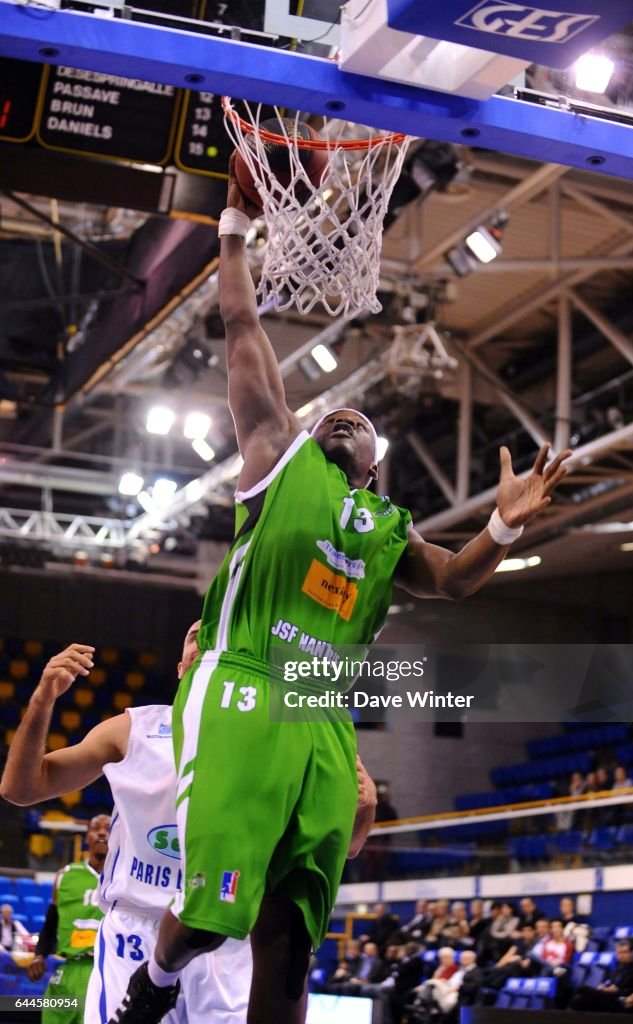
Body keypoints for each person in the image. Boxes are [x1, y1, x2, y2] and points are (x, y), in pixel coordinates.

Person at [105, 163, 572, 1024]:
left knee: (291, 931)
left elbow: (459, 580)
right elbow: (242, 324)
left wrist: (503, 526)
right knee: (213, 915)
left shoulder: (388, 532)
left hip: (318, 714)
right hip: (246, 682)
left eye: (359, 424)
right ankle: (155, 981)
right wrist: (235, 231)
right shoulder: (275, 456)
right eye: (333, 414)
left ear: (376, 465)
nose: (341, 418)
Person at [0, 632, 376, 1024]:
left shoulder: (281, 740)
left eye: (218, 635)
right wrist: (43, 699)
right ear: (181, 668)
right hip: (138, 931)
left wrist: (365, 806)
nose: (206, 642)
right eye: (196, 636)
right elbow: (20, 789)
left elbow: (346, 847)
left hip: (226, 938)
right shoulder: (134, 730)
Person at [27, 815, 110, 1024]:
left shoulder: (125, 878)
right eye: (95, 828)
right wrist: (40, 956)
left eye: (108, 829)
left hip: (105, 970)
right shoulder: (65, 876)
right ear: (87, 838)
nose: (101, 833)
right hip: (68, 970)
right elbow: (52, 920)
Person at [569, 939, 633, 1013]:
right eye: (619, 953)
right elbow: (608, 982)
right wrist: (604, 987)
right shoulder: (617, 968)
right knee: (579, 1000)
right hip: (608, 995)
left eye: (624, 952)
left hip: (619, 998)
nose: (621, 955)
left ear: (631, 953)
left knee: (582, 989)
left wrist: (618, 990)